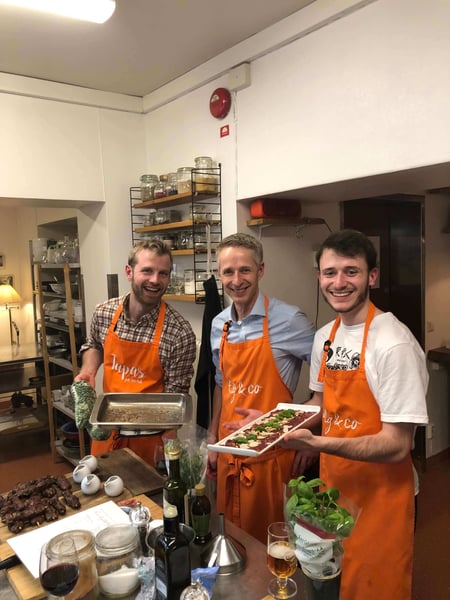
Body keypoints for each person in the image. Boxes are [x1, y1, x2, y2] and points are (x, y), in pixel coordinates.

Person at [281, 229, 429, 600]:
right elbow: (320, 401)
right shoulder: (325, 336)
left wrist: (317, 443)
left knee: (374, 589)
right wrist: (273, 422)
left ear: (371, 277)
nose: (339, 282)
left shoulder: (392, 343)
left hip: (382, 497)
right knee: (327, 585)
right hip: (334, 493)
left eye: (352, 271)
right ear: (319, 277)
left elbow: (397, 444)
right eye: (330, 273)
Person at [206, 233, 315, 543]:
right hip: (229, 456)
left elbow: (329, 382)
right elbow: (221, 385)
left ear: (261, 270)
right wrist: (214, 441)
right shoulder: (219, 325)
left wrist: (308, 433)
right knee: (232, 543)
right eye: (228, 272)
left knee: (273, 548)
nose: (236, 280)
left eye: (245, 270)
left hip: (272, 461)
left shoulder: (290, 320)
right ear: (219, 275)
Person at [75, 239, 197, 467]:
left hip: (150, 441)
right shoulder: (104, 313)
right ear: (129, 271)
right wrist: (88, 370)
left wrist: (169, 446)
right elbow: (94, 345)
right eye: (147, 271)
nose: (155, 280)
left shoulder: (179, 333)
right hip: (106, 432)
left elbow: (177, 394)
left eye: (163, 273)